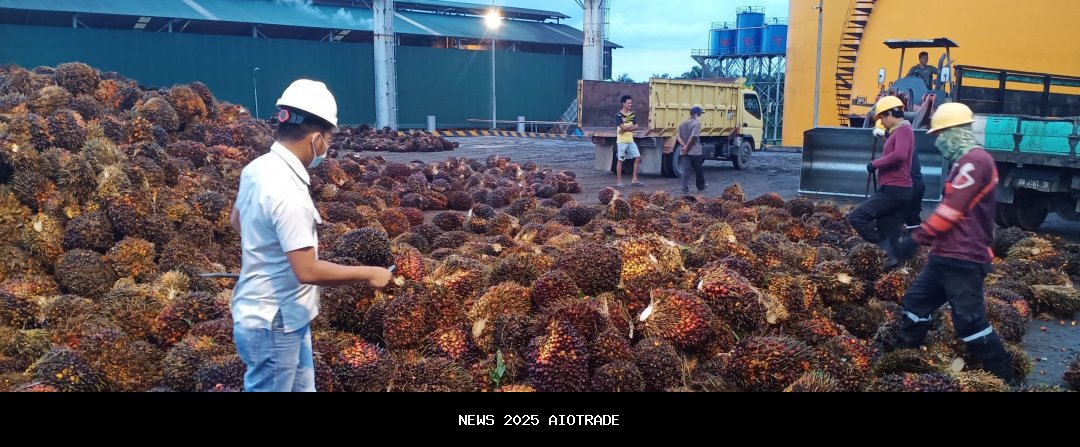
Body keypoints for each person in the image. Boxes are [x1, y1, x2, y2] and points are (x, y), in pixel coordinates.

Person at [229, 79, 393, 392]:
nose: (326, 149)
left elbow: (237, 221)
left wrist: (267, 256)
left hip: (279, 315)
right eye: (328, 140)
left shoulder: (257, 169)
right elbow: (307, 271)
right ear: (316, 138)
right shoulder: (288, 191)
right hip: (274, 322)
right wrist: (371, 273)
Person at [891, 103, 1016, 385]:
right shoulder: (962, 162)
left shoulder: (976, 161)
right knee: (915, 303)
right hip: (943, 256)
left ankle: (1003, 375)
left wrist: (915, 239)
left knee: (969, 321)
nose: (938, 141)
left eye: (940, 135)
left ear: (956, 131)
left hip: (965, 258)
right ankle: (904, 359)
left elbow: (952, 210)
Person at [847, 96, 913, 269]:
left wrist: (875, 164)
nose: (882, 122)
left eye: (882, 118)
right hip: (899, 189)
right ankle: (894, 264)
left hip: (894, 189)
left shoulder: (903, 130)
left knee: (857, 217)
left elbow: (900, 154)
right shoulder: (899, 131)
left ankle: (886, 250)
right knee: (888, 230)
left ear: (890, 114)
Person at [875, 117, 925, 230]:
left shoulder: (900, 142)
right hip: (915, 185)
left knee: (899, 218)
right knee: (911, 219)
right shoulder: (905, 142)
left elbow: (896, 157)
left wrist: (875, 165)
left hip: (908, 186)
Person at [676, 106, 708, 194]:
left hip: (685, 152)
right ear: (695, 114)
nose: (700, 116)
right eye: (699, 114)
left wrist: (684, 146)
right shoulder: (696, 124)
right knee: (698, 170)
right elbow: (693, 137)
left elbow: (678, 136)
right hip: (695, 152)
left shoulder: (682, 124)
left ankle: (684, 188)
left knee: (685, 171)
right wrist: (687, 146)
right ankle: (700, 186)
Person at [615, 95, 643, 187]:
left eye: (631, 103)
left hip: (630, 141)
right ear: (623, 103)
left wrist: (626, 128)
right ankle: (619, 181)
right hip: (621, 142)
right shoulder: (618, 115)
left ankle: (634, 180)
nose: (630, 104)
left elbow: (636, 126)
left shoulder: (632, 114)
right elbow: (622, 128)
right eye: (628, 103)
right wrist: (630, 127)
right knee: (620, 160)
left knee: (638, 158)